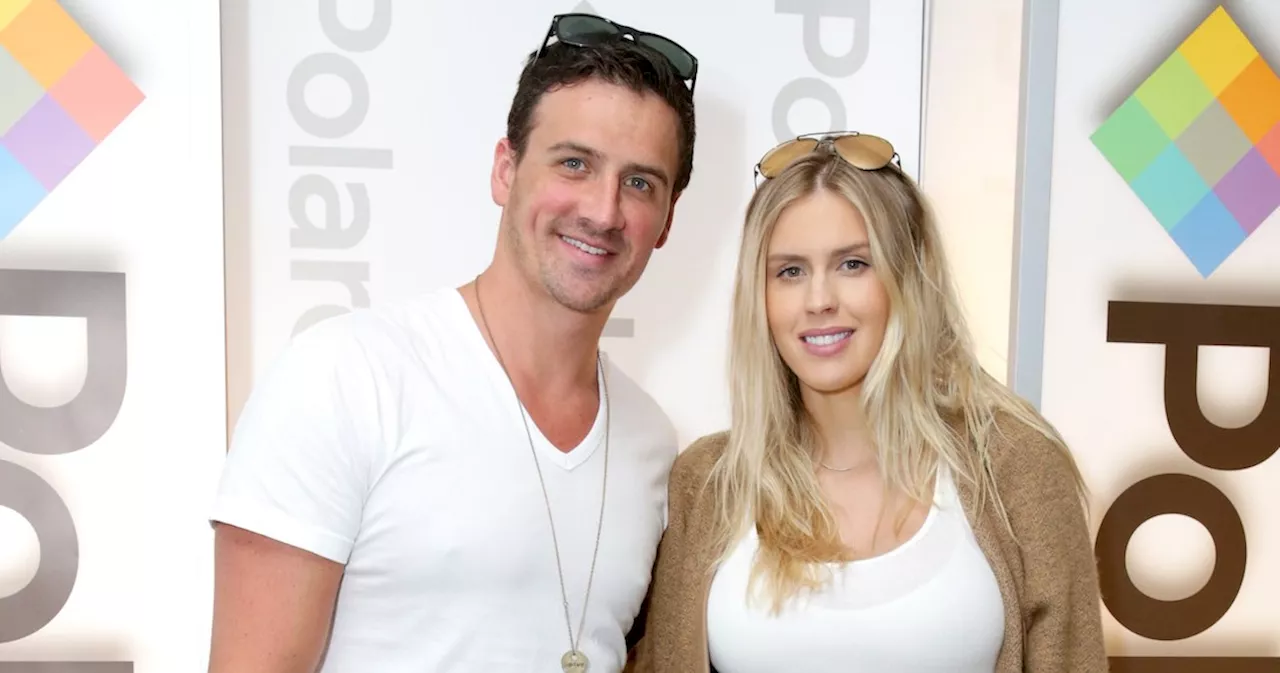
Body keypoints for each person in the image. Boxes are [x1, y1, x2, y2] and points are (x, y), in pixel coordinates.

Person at [207, 13, 698, 673]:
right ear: (505, 170)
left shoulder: (651, 441)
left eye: (639, 183)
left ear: (666, 221)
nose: (603, 210)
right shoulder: (346, 375)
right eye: (574, 163)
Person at [625, 133, 1108, 672]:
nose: (819, 300)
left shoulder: (1017, 466)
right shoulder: (708, 482)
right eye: (790, 271)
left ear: (909, 275)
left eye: (853, 264)